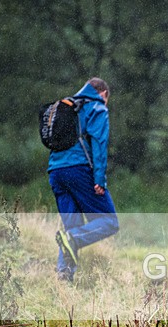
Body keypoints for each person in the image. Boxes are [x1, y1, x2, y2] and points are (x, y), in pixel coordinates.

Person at [48, 77, 119, 282]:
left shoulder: (67, 106)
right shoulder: (96, 107)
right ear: (103, 93)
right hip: (78, 170)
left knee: (71, 226)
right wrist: (99, 179)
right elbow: (99, 145)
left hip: (55, 172)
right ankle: (74, 240)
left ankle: (64, 276)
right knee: (109, 222)